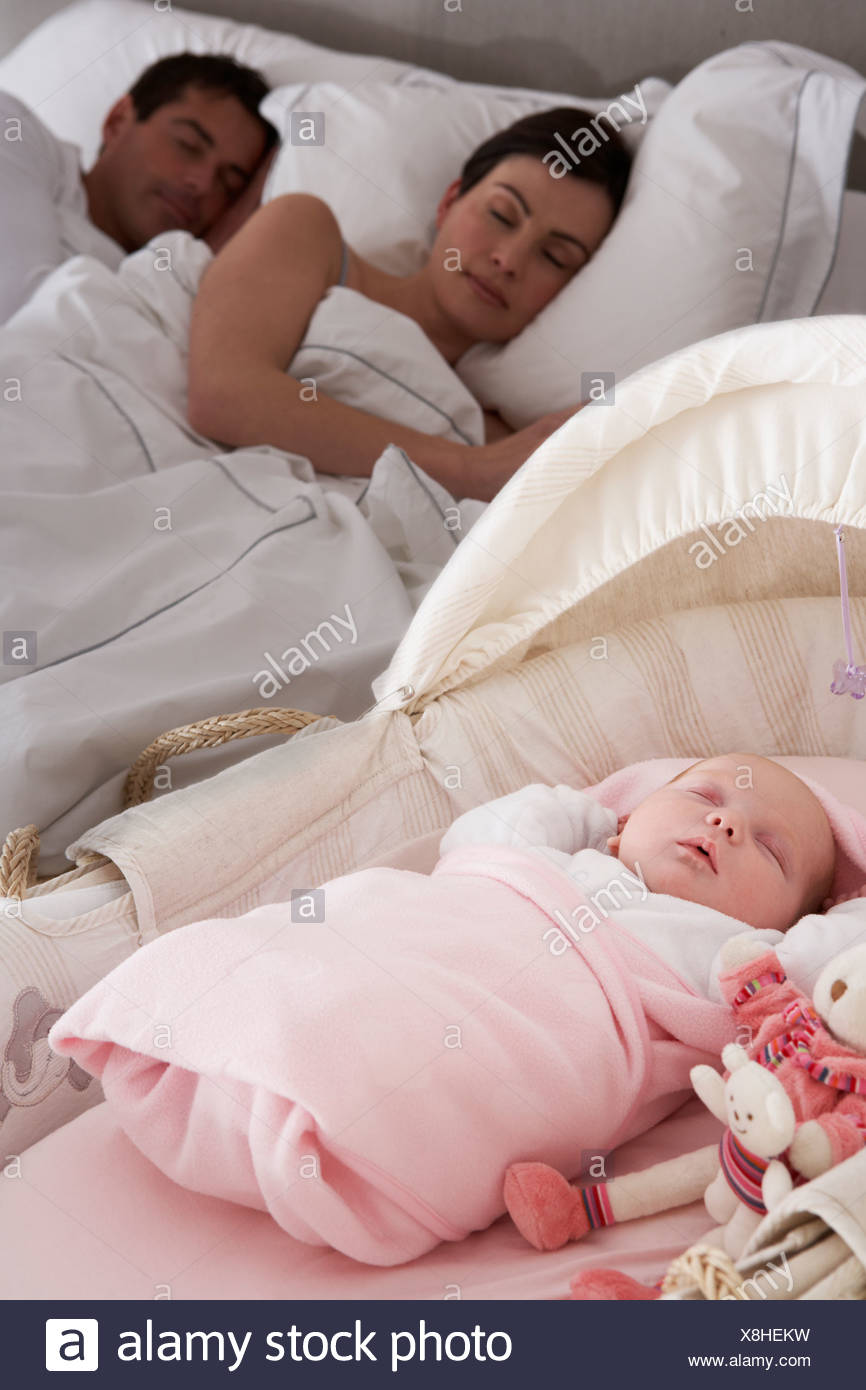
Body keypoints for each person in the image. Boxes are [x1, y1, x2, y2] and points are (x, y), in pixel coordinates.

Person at [187, 107, 632, 503]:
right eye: (501, 215)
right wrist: (471, 471)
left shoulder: (497, 435)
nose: (509, 260)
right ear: (449, 202)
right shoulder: (307, 233)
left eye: (555, 258)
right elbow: (222, 395)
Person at [0, 52, 278, 324]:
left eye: (229, 184)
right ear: (118, 121)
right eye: (188, 145)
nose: (203, 183)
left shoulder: (172, 304)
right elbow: (16, 316)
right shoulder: (15, 131)